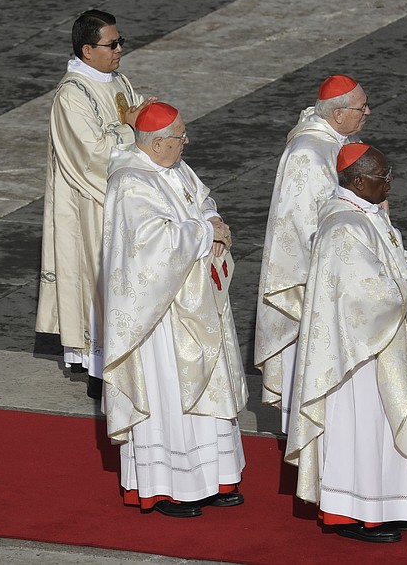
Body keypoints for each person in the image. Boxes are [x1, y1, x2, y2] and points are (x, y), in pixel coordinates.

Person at [285, 143, 407, 543]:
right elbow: (359, 294)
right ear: (357, 181)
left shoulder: (368, 215)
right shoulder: (342, 227)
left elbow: (395, 258)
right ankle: (354, 512)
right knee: (364, 426)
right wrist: (406, 291)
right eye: (382, 177)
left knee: (385, 424)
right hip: (356, 355)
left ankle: (393, 504)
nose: (389, 184)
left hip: (384, 341)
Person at [101, 102, 247, 518]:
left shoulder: (175, 167)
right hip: (158, 316)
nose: (187, 141)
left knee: (206, 388)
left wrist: (213, 222)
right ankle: (168, 487)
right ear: (157, 142)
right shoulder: (130, 183)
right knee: (169, 394)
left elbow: (201, 201)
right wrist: (207, 232)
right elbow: (152, 248)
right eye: (181, 136)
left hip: (196, 299)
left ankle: (214, 477)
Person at [36, 9, 155, 399]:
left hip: (123, 198)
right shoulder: (72, 96)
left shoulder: (118, 80)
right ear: (87, 50)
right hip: (92, 204)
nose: (120, 49)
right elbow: (91, 155)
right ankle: (100, 368)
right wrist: (133, 127)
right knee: (100, 277)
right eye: (112, 44)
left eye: (121, 41)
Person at [255, 74, 371, 432]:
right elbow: (302, 223)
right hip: (310, 276)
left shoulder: (337, 140)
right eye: (361, 107)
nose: (368, 111)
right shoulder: (308, 152)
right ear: (337, 114)